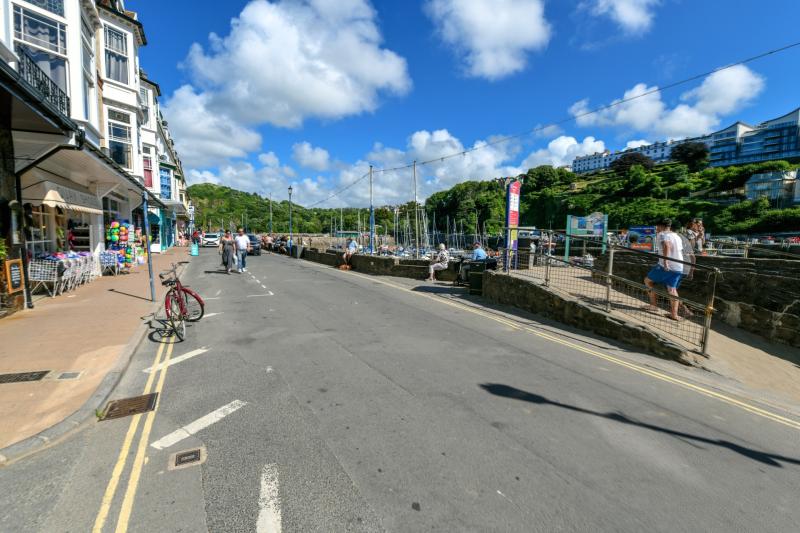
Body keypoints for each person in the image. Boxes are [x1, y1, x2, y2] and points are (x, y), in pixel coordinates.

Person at [643, 218, 685, 321]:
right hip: (679, 266)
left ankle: (653, 306)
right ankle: (674, 315)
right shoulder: (677, 236)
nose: (656, 228)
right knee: (672, 290)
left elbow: (667, 245)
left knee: (647, 281)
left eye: (657, 226)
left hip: (666, 266)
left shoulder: (662, 234)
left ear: (661, 226)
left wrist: (666, 262)